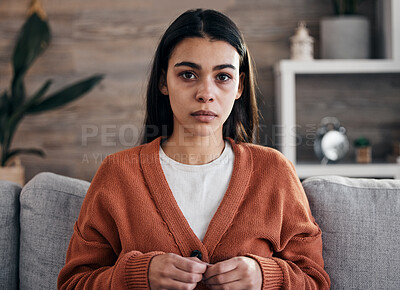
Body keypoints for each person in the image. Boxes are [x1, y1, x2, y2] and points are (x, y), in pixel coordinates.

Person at [58, 8, 330, 289]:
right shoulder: (117, 174)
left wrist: (266, 276)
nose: (205, 93)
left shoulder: (273, 171)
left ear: (240, 86)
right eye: (188, 74)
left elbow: (315, 281)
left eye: (223, 77)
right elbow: (73, 283)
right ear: (164, 82)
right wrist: (138, 275)